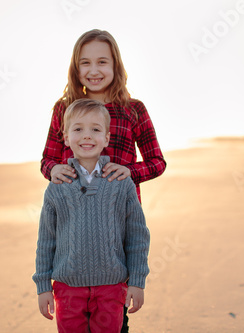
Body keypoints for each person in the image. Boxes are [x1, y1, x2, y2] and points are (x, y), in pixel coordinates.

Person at [33, 99, 150, 333]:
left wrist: (137, 281)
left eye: (95, 129)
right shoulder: (57, 186)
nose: (87, 136)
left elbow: (137, 236)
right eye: (78, 129)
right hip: (67, 289)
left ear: (106, 138)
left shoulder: (121, 183)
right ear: (65, 137)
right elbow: (46, 241)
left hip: (112, 287)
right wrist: (43, 286)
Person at [40, 29, 166, 204]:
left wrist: (130, 171)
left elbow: (157, 162)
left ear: (115, 65)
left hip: (121, 212)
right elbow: (48, 159)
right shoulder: (64, 109)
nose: (93, 71)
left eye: (102, 62)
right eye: (85, 63)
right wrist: (53, 170)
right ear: (76, 68)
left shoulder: (133, 109)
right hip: (73, 212)